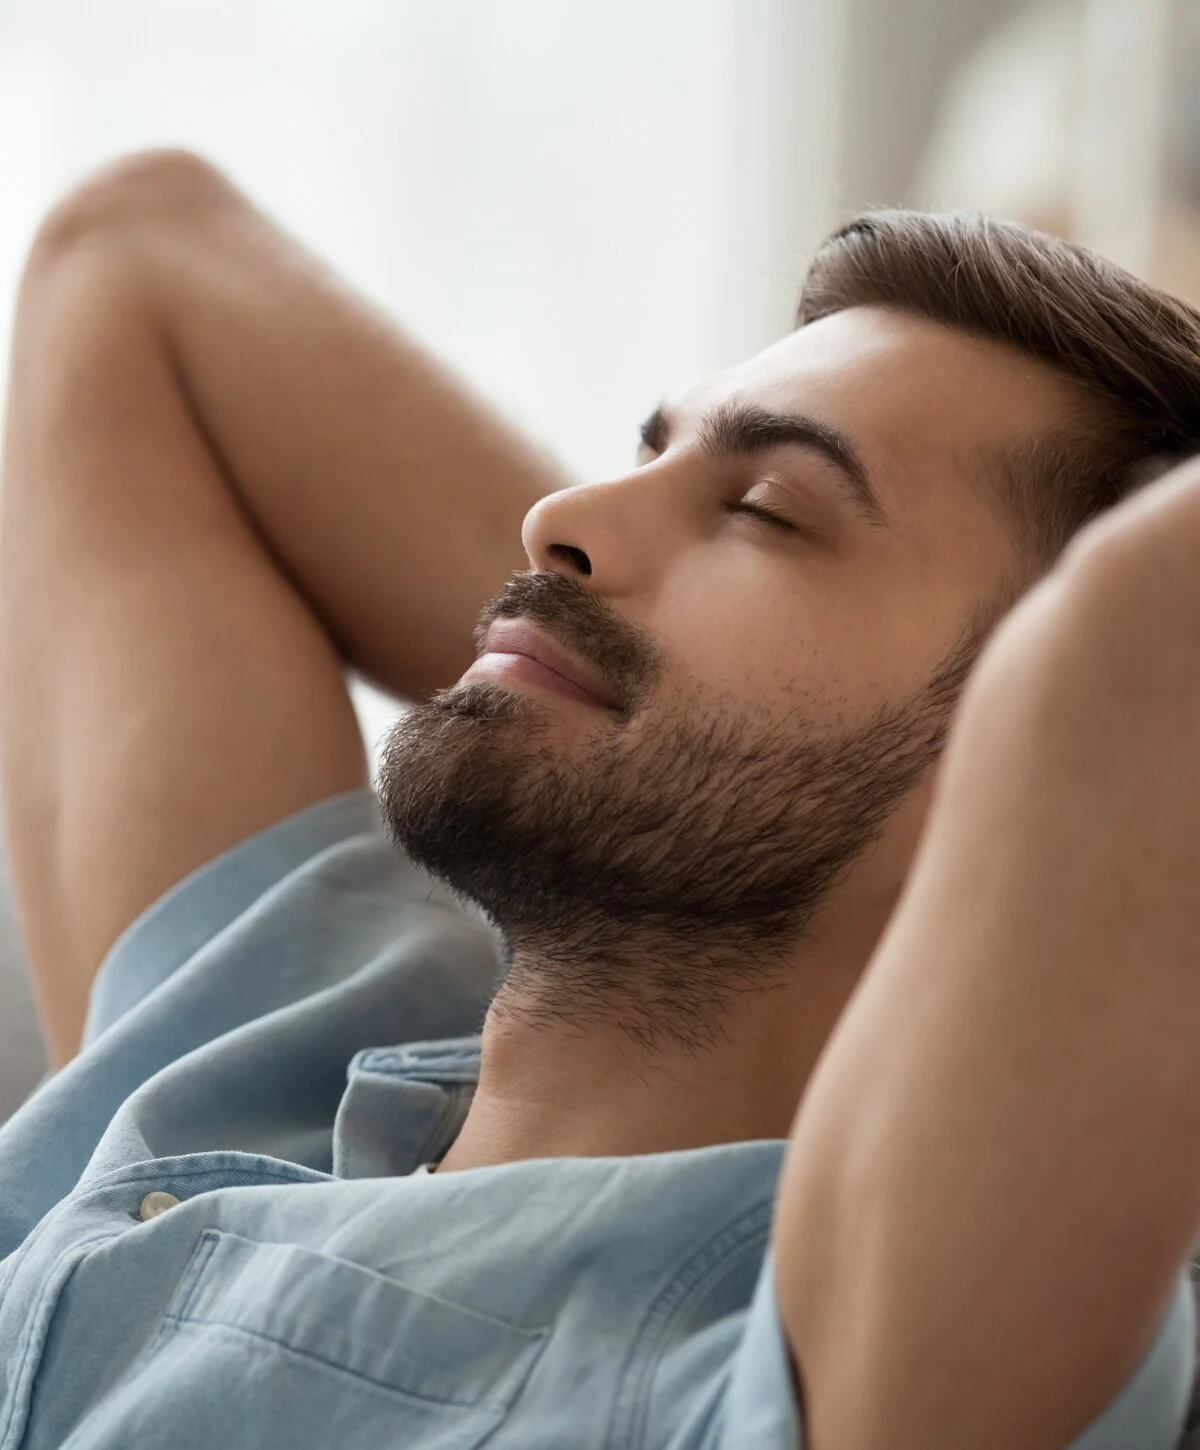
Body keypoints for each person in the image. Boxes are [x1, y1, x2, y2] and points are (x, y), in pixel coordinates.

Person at [1, 148, 1200, 1450]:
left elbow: (1129, 641)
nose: (554, 513)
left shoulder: (836, 1369)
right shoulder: (276, 1034)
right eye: (650, 452)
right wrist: (621, 676)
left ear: (1010, 773)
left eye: (767, 509)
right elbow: (134, 256)